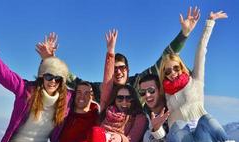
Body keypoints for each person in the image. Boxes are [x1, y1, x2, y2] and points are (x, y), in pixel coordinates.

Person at [43, 30, 148, 142]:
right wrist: (51, 59)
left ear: (134, 99)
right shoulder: (108, 105)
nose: (124, 101)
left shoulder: (138, 116)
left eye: (128, 99)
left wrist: (120, 137)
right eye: (120, 98)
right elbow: (104, 82)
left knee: (94, 132)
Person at [36, 7, 201, 103]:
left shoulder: (138, 83)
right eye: (114, 69)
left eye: (122, 68)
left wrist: (183, 34)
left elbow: (165, 58)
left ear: (128, 70)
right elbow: (72, 80)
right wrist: (50, 60)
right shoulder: (102, 89)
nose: (118, 72)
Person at [159, 11, 239, 142]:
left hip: (201, 139)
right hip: (180, 141)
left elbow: (201, 50)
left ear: (181, 67)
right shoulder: (165, 91)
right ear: (163, 73)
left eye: (175, 68)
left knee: (207, 118)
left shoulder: (195, 80)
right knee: (179, 124)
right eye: (167, 71)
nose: (172, 73)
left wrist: (210, 22)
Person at [121, 74, 182, 142]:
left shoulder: (173, 111)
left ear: (160, 90)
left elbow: (174, 141)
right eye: (142, 92)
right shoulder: (141, 115)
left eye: (151, 90)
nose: (147, 95)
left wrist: (157, 129)